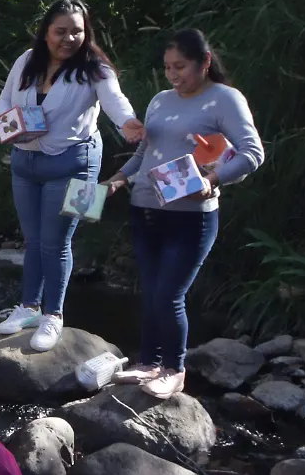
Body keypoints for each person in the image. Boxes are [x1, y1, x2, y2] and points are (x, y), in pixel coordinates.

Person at [106, 28, 265, 400]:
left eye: (181, 66)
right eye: (167, 67)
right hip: (145, 209)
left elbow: (252, 152)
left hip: (191, 215)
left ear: (204, 62)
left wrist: (212, 178)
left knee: (169, 293)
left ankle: (174, 369)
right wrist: (117, 178)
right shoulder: (160, 100)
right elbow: (145, 154)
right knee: (150, 289)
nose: (173, 75)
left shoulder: (225, 99)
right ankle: (148, 362)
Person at [0, 0, 144, 352]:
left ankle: (53, 316)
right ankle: (28, 307)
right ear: (46, 32)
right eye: (61, 31)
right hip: (25, 163)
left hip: (76, 164)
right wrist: (9, 126)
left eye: (77, 31)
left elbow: (115, 102)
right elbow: (3, 101)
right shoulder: (26, 62)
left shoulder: (95, 68)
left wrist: (129, 124)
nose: (68, 38)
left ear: (86, 33)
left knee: (56, 242)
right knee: (32, 240)